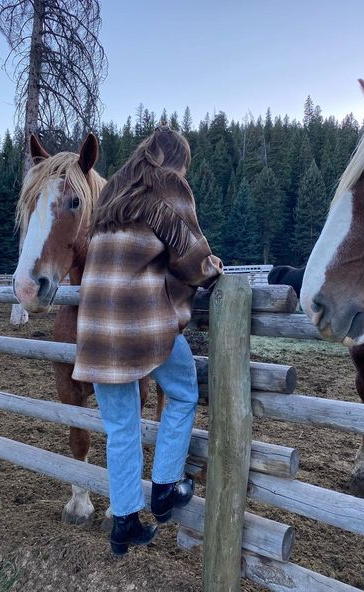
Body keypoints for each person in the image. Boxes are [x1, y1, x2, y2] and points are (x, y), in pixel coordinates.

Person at [72, 125, 223, 556]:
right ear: (176, 161)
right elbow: (194, 260)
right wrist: (214, 268)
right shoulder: (167, 187)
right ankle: (164, 488)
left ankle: (124, 524)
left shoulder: (112, 198)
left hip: (97, 332)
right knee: (182, 393)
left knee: (121, 428)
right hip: (141, 325)